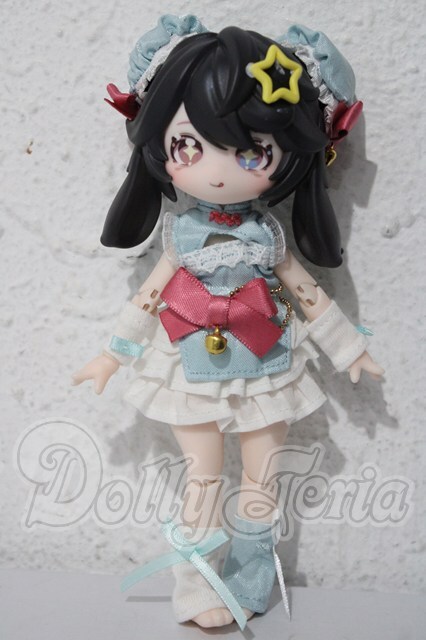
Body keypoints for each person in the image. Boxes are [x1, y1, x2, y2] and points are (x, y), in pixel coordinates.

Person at [73, 15, 384, 630]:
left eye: (251, 152)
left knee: (263, 479)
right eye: (188, 146)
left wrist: (350, 350)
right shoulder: (179, 235)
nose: (217, 171)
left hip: (265, 361)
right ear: (160, 146)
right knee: (203, 478)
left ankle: (250, 578)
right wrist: (113, 353)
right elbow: (149, 297)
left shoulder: (268, 235)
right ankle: (197, 586)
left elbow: (306, 292)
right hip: (188, 363)